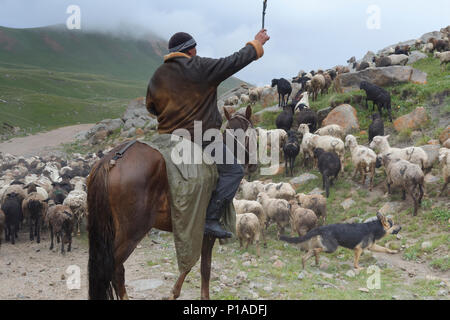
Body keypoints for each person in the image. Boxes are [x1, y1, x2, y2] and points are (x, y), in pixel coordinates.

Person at [146, 29, 270, 239]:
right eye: (196, 48)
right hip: (201, 138)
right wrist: (256, 44)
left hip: (166, 140)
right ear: (191, 50)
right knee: (234, 171)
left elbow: (151, 107)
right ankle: (211, 218)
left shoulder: (159, 74)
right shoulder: (200, 67)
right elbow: (234, 61)